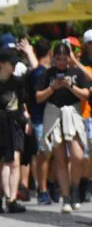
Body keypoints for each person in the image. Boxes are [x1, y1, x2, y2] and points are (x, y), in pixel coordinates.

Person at [36, 41, 90, 214]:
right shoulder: (47, 74)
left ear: (69, 58)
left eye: (64, 58)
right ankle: (66, 197)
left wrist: (69, 85)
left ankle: (75, 188)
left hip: (72, 113)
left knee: (78, 155)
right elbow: (38, 97)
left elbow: (86, 95)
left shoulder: (75, 73)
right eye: (58, 58)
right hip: (53, 113)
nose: (61, 62)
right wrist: (53, 87)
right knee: (60, 159)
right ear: (53, 58)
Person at [0, 49, 30, 214]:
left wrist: (27, 120)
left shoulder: (18, 83)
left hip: (14, 123)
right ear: (2, 64)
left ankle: (12, 199)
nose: (15, 65)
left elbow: (22, 105)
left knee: (14, 162)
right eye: (12, 62)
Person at [27, 39, 52, 205]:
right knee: (44, 154)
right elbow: (37, 96)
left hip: (43, 118)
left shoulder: (38, 72)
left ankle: (48, 188)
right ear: (49, 53)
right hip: (41, 118)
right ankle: (42, 189)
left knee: (49, 155)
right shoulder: (41, 73)